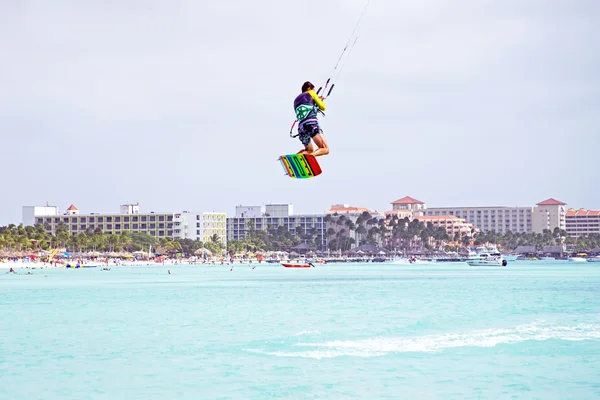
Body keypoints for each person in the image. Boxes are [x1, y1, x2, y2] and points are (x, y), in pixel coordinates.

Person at [294, 81, 330, 157]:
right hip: (311, 124)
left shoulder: (296, 100)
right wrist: (319, 100)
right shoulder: (311, 93)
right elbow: (323, 107)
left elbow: (306, 107)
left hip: (301, 127)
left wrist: (315, 100)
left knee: (309, 150)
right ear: (309, 88)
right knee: (325, 149)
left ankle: (295, 158)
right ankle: (310, 158)